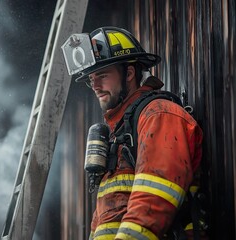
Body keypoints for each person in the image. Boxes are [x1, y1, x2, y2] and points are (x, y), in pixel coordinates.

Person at [61, 27, 205, 239]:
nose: (96, 86)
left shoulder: (158, 115)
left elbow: (153, 200)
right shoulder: (119, 133)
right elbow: (104, 219)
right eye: (91, 79)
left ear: (129, 73)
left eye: (102, 75)